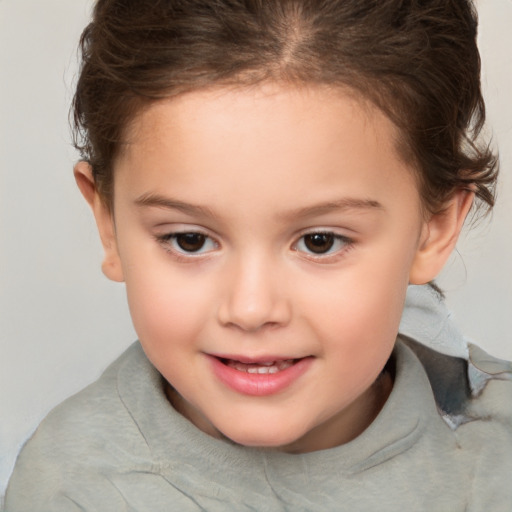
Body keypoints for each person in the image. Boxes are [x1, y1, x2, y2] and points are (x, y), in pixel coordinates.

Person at [4, 0, 512, 510]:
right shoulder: (72, 488)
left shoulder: (495, 460)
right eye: (189, 240)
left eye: (320, 241)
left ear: (434, 226)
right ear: (109, 223)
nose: (250, 309)